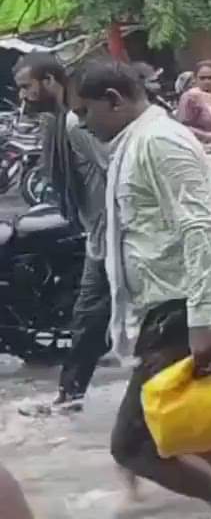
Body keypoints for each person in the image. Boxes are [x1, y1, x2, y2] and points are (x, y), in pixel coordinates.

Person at [74, 61, 211, 519]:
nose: (82, 123)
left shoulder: (160, 140)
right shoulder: (132, 141)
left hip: (182, 310)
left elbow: (200, 228)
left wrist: (203, 319)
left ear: (114, 100)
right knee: (186, 432)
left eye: (85, 111)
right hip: (164, 308)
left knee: (133, 444)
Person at [12, 54, 111, 412]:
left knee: (90, 316)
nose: (23, 96)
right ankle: (71, 397)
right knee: (89, 319)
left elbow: (111, 168)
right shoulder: (58, 121)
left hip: (112, 235)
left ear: (51, 80)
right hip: (99, 234)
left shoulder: (72, 123)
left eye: (27, 87)